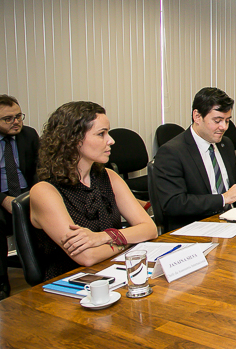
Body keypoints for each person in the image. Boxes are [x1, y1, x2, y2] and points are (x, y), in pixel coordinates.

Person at [29, 102, 157, 281]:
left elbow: (150, 229)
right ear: (74, 140)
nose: (111, 140)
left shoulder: (108, 176)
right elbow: (87, 257)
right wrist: (128, 241)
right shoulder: (44, 191)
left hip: (113, 272)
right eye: (101, 134)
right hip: (70, 284)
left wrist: (101, 238)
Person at [153, 87, 236, 232]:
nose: (224, 127)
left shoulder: (225, 144)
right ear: (197, 116)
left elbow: (229, 181)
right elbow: (173, 203)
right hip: (196, 228)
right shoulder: (172, 152)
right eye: (217, 121)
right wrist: (223, 199)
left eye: (227, 121)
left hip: (232, 221)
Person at [0, 95, 39, 299]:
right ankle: (1, 284)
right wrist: (3, 199)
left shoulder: (29, 135)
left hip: (27, 192)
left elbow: (39, 169)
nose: (16, 122)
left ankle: (44, 275)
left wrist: (38, 194)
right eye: (8, 119)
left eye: (18, 116)